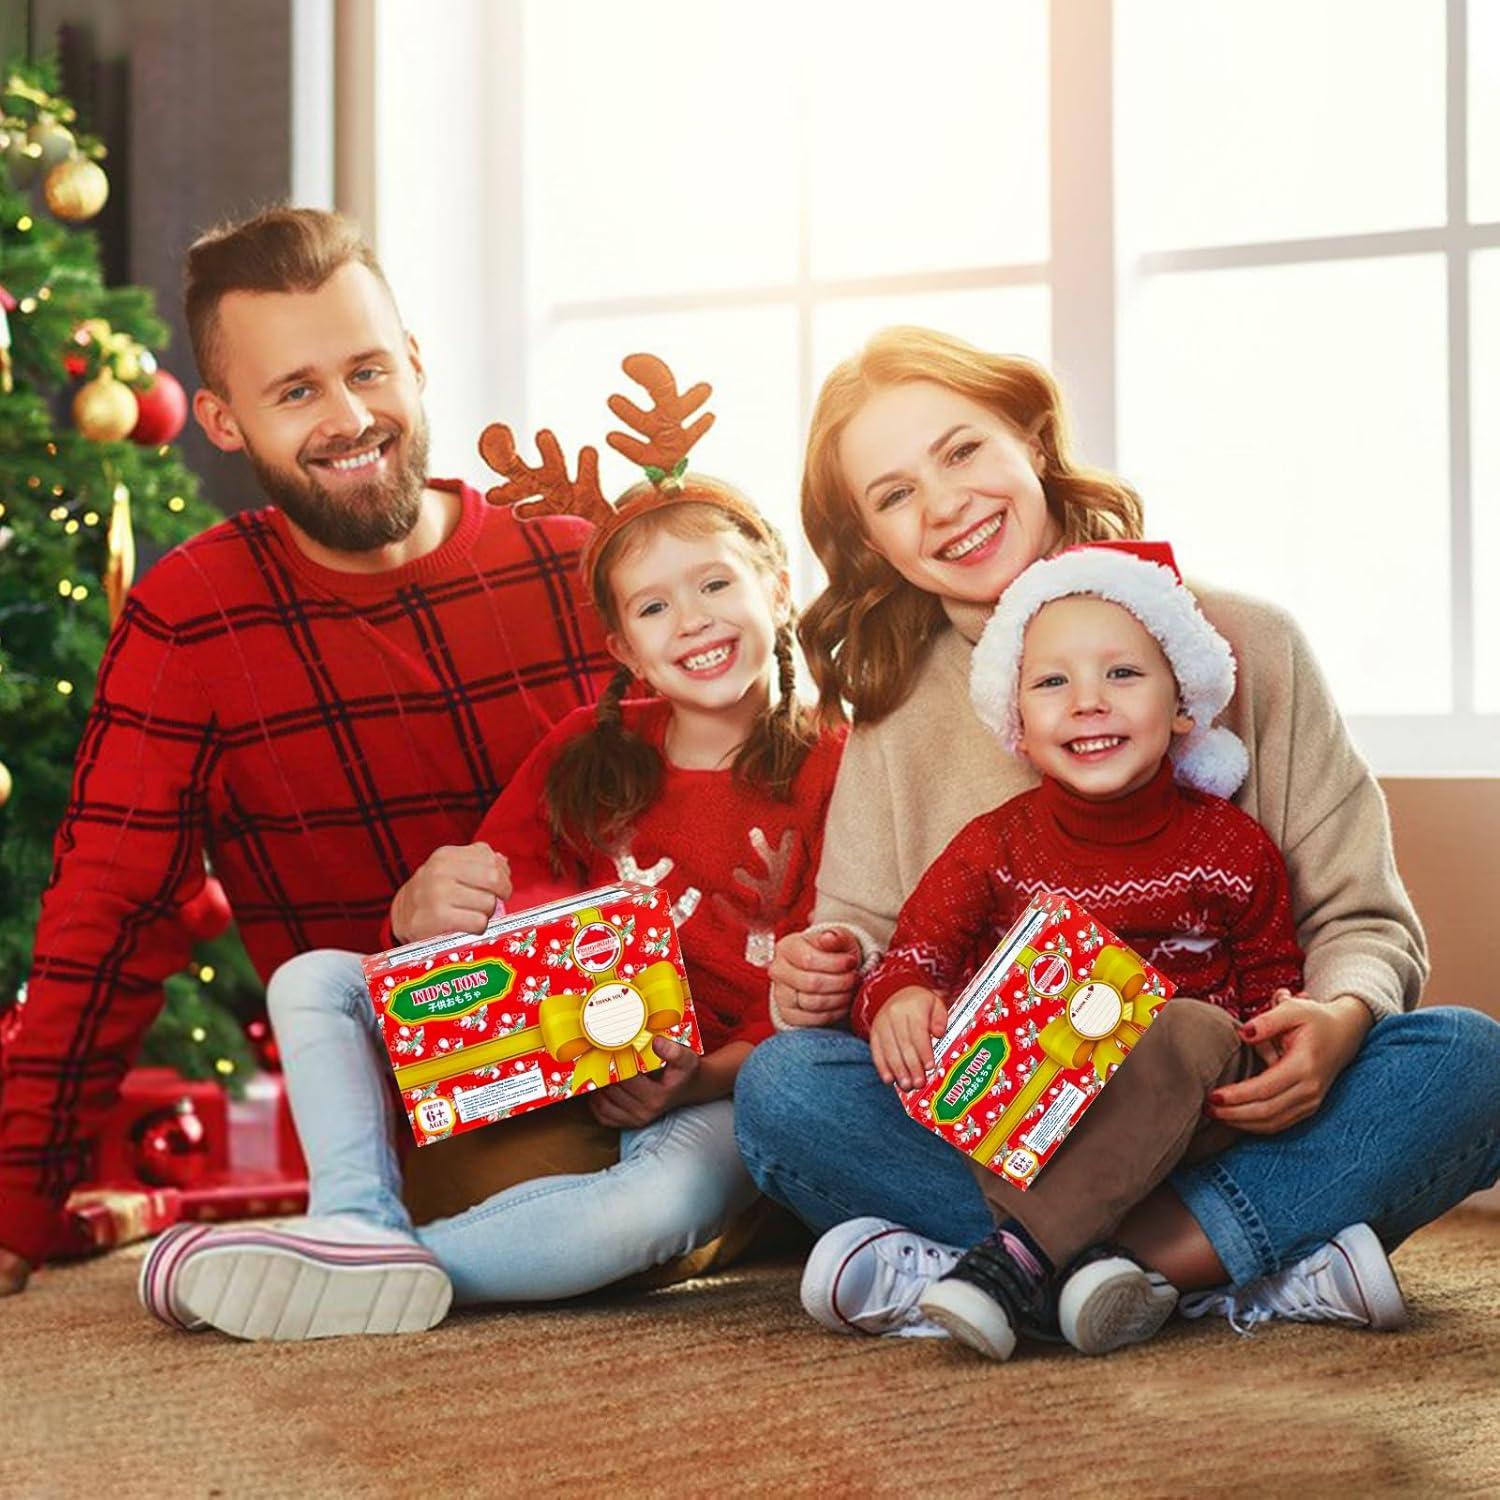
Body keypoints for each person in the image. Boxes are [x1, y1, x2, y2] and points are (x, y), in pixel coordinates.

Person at [735, 326, 1500, 1344]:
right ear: (874, 542)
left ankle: (1026, 1269)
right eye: (894, 493)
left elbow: (1360, 919)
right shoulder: (894, 714)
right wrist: (831, 978)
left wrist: (1341, 1020)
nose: (946, 503)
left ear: (1033, 441)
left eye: (962, 450)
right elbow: (872, 946)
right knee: (786, 1090)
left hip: (1227, 1105)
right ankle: (1221, 1265)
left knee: (1467, 1059)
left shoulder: (1248, 645)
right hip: (1011, 1123)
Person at [138, 358, 845, 1340]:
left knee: (653, 1210)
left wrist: (701, 1072)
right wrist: (419, 910)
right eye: (653, 608)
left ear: (772, 585)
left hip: (711, 1085)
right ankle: (354, 1218)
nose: (692, 621)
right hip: (551, 1053)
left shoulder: (838, 768)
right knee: (312, 981)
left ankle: (391, 1273)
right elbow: (488, 915)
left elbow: (826, 995)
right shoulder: (586, 754)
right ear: (623, 651)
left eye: (714, 583)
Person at [0, 207, 611, 1296]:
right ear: (226, 423)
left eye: (369, 371)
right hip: (446, 1111)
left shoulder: (577, 570)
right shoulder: (190, 617)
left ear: (416, 364)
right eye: (297, 393)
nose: (350, 418)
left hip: (675, 1045)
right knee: (586, 1201)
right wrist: (15, 1204)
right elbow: (107, 915)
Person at [806, 539, 1340, 1361]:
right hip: (1037, 1111)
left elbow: (1275, 983)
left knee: (1216, 1029)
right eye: (1053, 683)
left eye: (1122, 675)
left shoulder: (1233, 849)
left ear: (1185, 703)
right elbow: (914, 957)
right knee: (819, 1077)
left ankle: (1012, 1262)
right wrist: (902, 1000)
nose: (1088, 702)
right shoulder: (995, 848)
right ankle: (1126, 1268)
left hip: (1187, 1113)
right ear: (1016, 723)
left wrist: (1294, 1040)